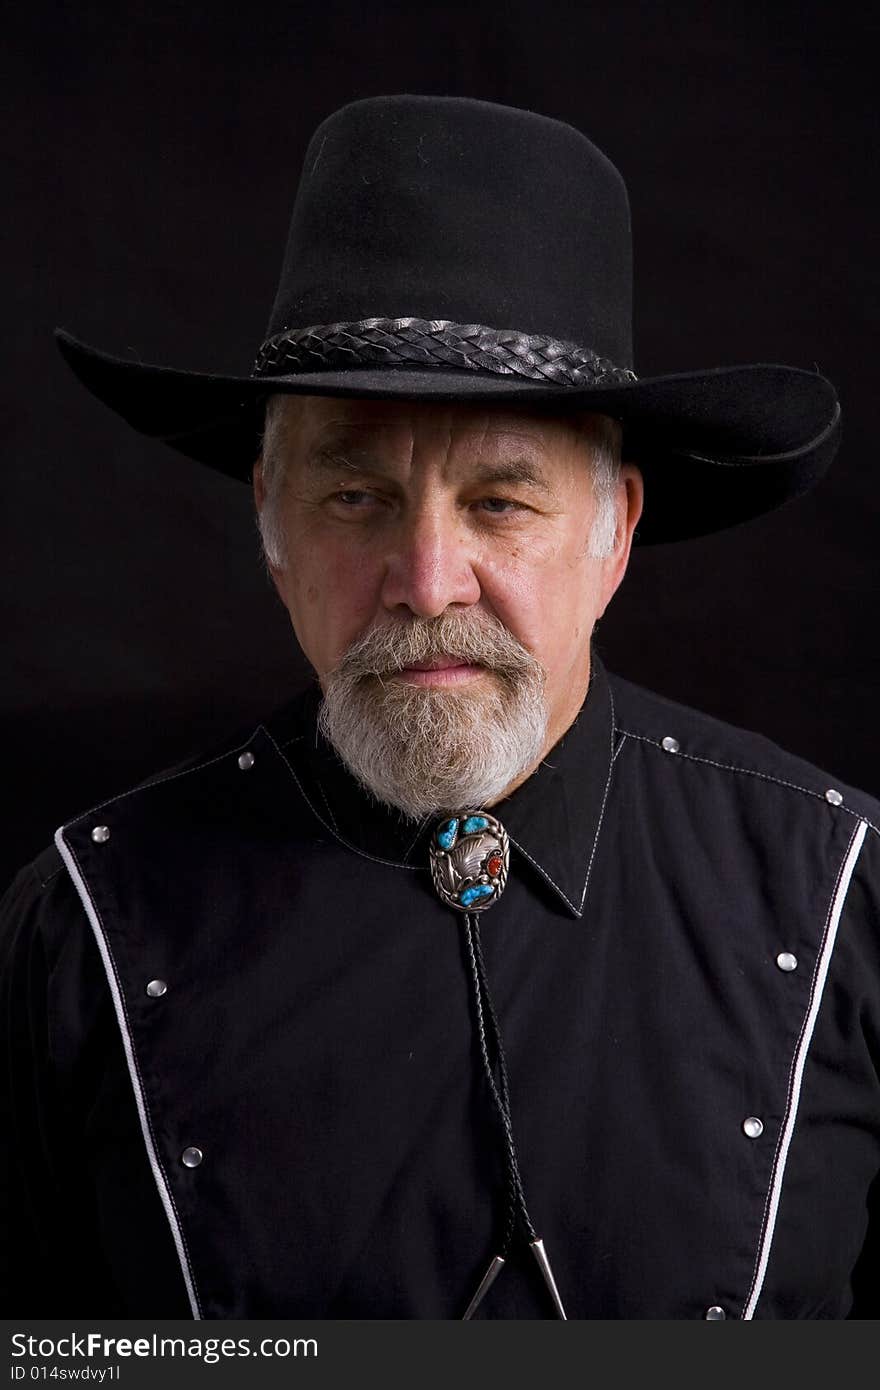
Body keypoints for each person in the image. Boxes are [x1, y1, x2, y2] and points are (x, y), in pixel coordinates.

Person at [2, 93, 878, 1321]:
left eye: (500, 504)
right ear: (269, 520)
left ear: (614, 527)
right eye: (356, 498)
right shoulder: (79, 929)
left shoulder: (843, 891)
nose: (424, 583)